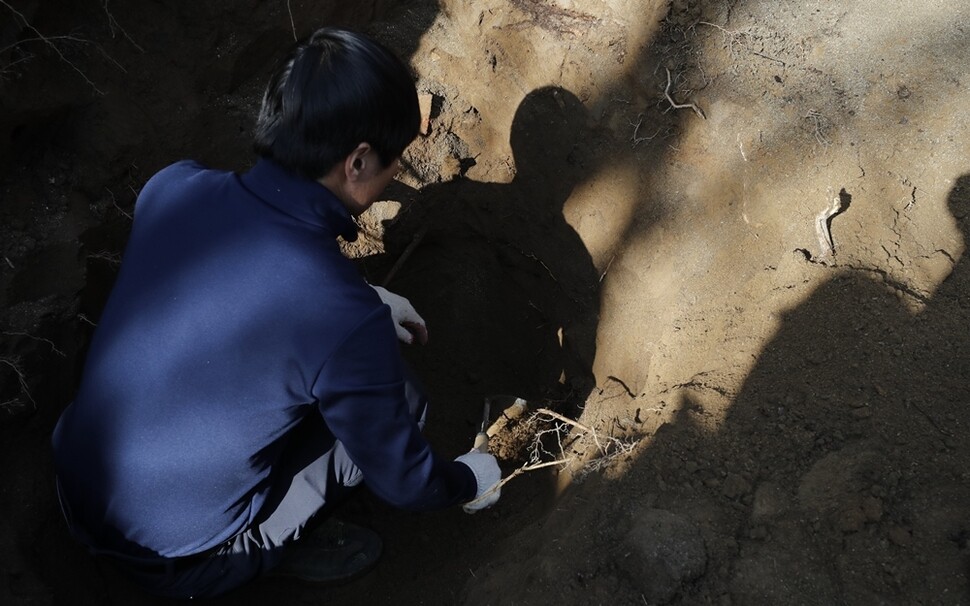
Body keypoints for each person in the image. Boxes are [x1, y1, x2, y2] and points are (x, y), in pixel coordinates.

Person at [51, 27, 501, 599]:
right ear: (358, 161)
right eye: (395, 161)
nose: (395, 174)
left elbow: (241, 292)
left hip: (73, 479)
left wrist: (364, 300)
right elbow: (406, 481)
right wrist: (467, 480)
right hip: (173, 562)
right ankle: (264, 548)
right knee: (405, 403)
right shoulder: (338, 316)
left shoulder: (172, 187)